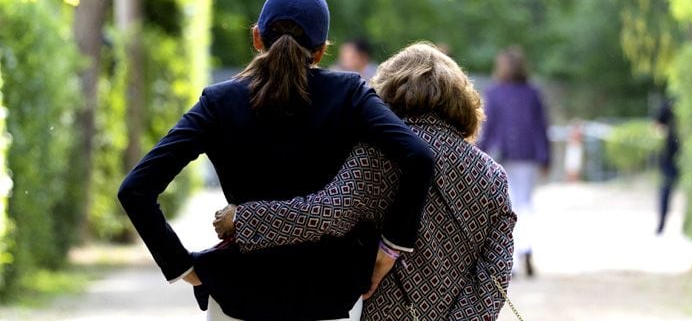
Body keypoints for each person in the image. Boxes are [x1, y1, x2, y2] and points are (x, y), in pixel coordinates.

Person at [118, 0, 435, 321]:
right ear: (320, 51)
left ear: (257, 38)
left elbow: (135, 189)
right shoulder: (349, 95)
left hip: (239, 294)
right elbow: (419, 156)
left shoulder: (219, 102)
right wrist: (391, 247)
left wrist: (182, 266)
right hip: (329, 294)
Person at [214, 43, 516, 320]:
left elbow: (326, 212)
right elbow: (495, 271)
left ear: (389, 90)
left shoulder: (379, 153)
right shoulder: (492, 176)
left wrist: (244, 219)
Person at [478, 46, 549, 278]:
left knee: (507, 207)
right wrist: (545, 156)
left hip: (501, 156)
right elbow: (540, 127)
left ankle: (512, 262)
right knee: (525, 204)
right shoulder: (532, 93)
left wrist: (479, 153)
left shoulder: (495, 92)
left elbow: (488, 128)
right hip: (527, 155)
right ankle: (526, 249)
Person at [655, 98, 680, 234]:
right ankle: (662, 223)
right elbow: (657, 125)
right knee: (666, 189)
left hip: (678, 155)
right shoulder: (669, 103)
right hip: (670, 157)